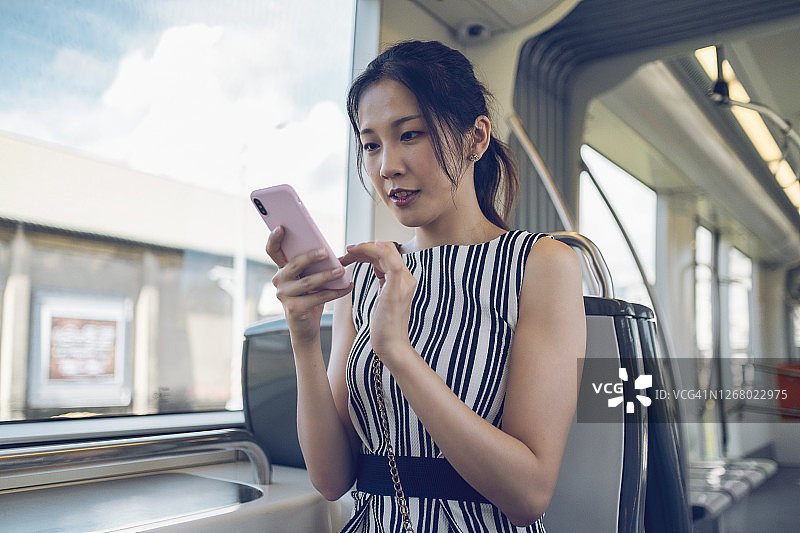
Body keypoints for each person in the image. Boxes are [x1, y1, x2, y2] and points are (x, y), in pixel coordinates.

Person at [266, 40, 586, 532]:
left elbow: (529, 494)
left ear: (476, 138)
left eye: (409, 135)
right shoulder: (368, 278)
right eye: (370, 145)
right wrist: (305, 338)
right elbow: (331, 480)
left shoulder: (540, 264)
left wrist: (398, 354)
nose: (387, 165)